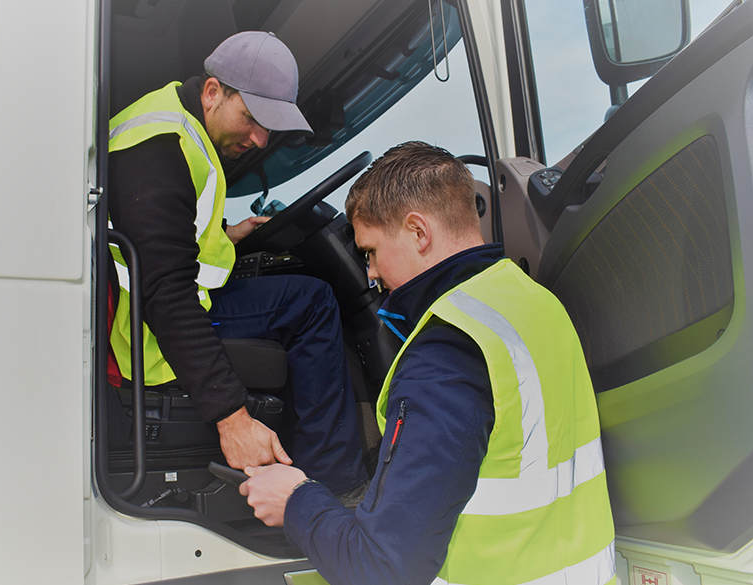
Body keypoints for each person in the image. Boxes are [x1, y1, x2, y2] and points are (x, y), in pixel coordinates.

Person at [240, 142, 616, 584]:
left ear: (418, 232)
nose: (371, 275)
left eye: (371, 252)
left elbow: (380, 568)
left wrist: (296, 500)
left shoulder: (444, 357)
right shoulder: (532, 300)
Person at [106, 31, 367, 498]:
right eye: (251, 118)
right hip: (151, 331)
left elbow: (163, 239)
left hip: (174, 301)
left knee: (304, 296)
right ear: (212, 92)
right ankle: (337, 487)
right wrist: (233, 417)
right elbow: (164, 289)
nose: (261, 138)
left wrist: (229, 236)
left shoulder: (173, 124)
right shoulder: (160, 144)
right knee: (313, 303)